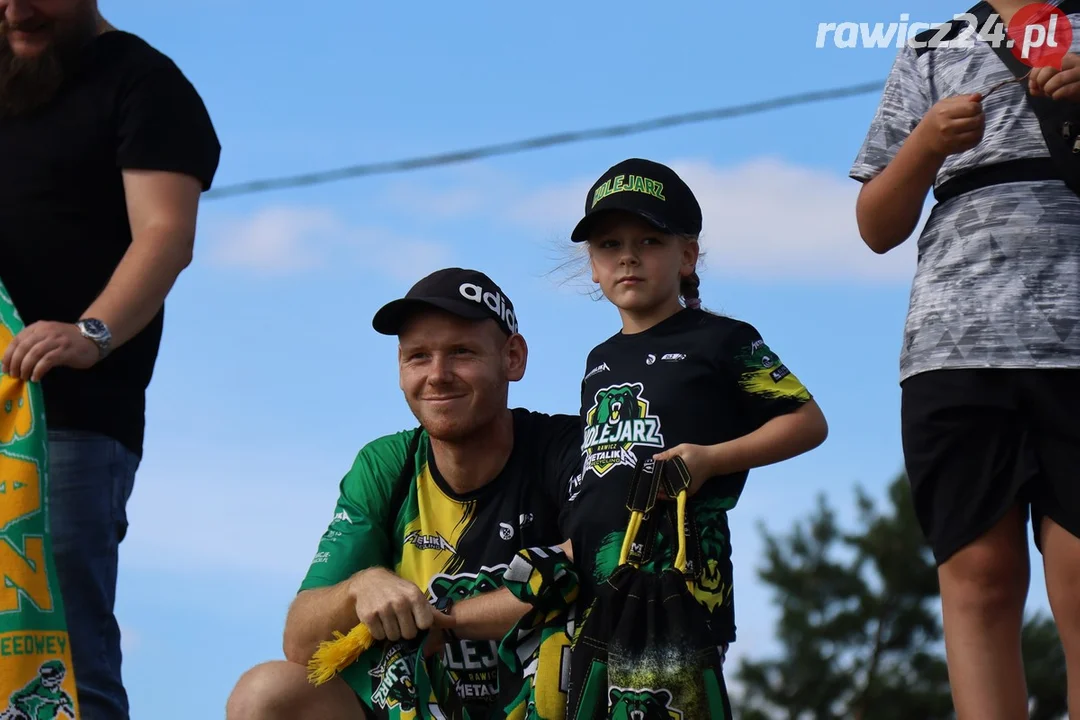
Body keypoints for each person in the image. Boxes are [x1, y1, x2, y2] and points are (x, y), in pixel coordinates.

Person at [451, 158, 829, 716]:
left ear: (687, 255)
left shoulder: (723, 340)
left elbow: (807, 421)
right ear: (594, 267)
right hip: (590, 594)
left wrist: (710, 459)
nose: (628, 256)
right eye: (609, 245)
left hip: (674, 585)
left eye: (649, 239)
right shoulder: (598, 361)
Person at [849, 1, 1080, 716]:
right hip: (954, 344)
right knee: (979, 574)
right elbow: (876, 225)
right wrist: (923, 145)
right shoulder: (929, 48)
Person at [225, 267, 582, 720]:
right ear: (399, 368)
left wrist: (448, 622)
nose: (438, 375)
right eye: (418, 356)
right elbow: (300, 640)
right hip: (414, 709)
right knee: (266, 693)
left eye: (461, 352)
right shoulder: (386, 464)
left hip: (549, 705)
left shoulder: (567, 449)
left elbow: (605, 561)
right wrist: (360, 586)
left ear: (513, 358)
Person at [0, 1, 220, 717]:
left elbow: (164, 233)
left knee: (61, 654)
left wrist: (91, 333)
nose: (13, 9)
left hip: (64, 421)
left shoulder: (144, 82)